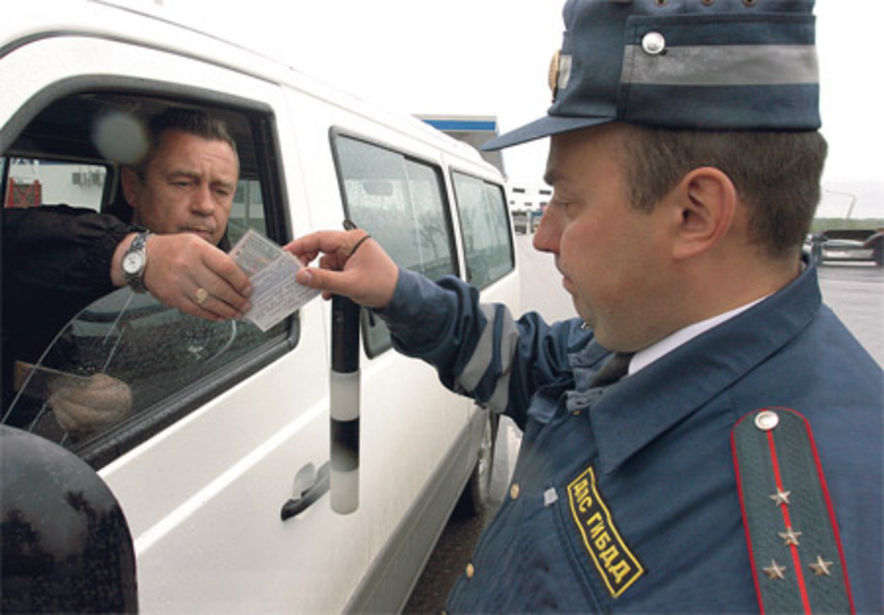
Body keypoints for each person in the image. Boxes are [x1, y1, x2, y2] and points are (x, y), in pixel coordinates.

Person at [285, 1, 882, 613]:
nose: (541, 237)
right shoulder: (648, 340)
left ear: (695, 214)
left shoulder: (787, 556)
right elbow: (525, 360)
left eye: (566, 202)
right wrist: (393, 291)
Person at [2, 107, 252, 430]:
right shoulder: (72, 250)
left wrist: (135, 396)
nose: (205, 205)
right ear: (132, 187)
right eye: (182, 183)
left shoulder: (236, 276)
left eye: (221, 191)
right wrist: (135, 254)